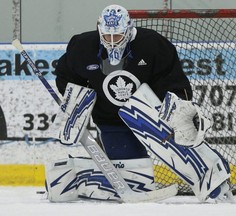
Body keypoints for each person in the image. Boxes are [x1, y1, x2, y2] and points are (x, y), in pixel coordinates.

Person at [55, 4, 192, 160]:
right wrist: (79, 100)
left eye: (118, 35)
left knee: (184, 155)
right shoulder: (82, 46)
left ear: (128, 29)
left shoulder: (153, 43)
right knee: (130, 167)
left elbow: (171, 79)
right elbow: (66, 75)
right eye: (107, 36)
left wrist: (177, 113)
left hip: (153, 118)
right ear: (99, 31)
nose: (112, 42)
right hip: (112, 120)